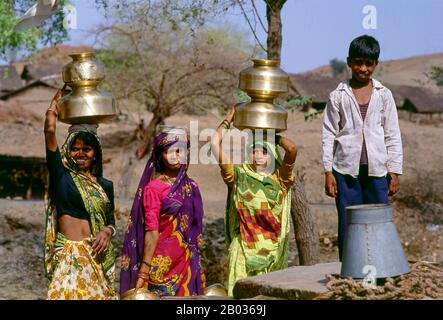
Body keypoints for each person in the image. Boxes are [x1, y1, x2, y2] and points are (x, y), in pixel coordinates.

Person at [322, 35, 403, 261]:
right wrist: (328, 171)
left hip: (378, 171)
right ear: (349, 62)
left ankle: (380, 272)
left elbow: (392, 134)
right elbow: (328, 134)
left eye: (368, 63)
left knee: (379, 221)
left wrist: (394, 171)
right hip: (345, 171)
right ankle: (350, 273)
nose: (363, 68)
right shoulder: (338, 96)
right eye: (358, 62)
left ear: (376, 64)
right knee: (349, 223)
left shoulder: (384, 95)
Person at [211, 105, 298, 296]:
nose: (258, 156)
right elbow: (214, 144)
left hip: (272, 253)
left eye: (264, 152)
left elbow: (292, 149)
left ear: (272, 155)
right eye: (254, 150)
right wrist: (228, 119)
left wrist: (268, 135)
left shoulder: (280, 179)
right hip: (242, 249)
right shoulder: (238, 176)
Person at [44, 89, 117, 300]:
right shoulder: (61, 177)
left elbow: (111, 219)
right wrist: (56, 101)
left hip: (96, 255)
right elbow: (49, 132)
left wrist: (107, 231)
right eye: (75, 149)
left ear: (96, 153)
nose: (80, 153)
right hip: (69, 256)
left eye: (87, 149)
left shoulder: (105, 185)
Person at [120, 129, 206, 297]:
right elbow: (151, 231)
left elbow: (196, 232)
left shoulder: (192, 186)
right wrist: (144, 270)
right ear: (161, 156)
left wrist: (200, 267)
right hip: (162, 265)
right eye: (168, 152)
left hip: (188, 262)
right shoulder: (153, 188)